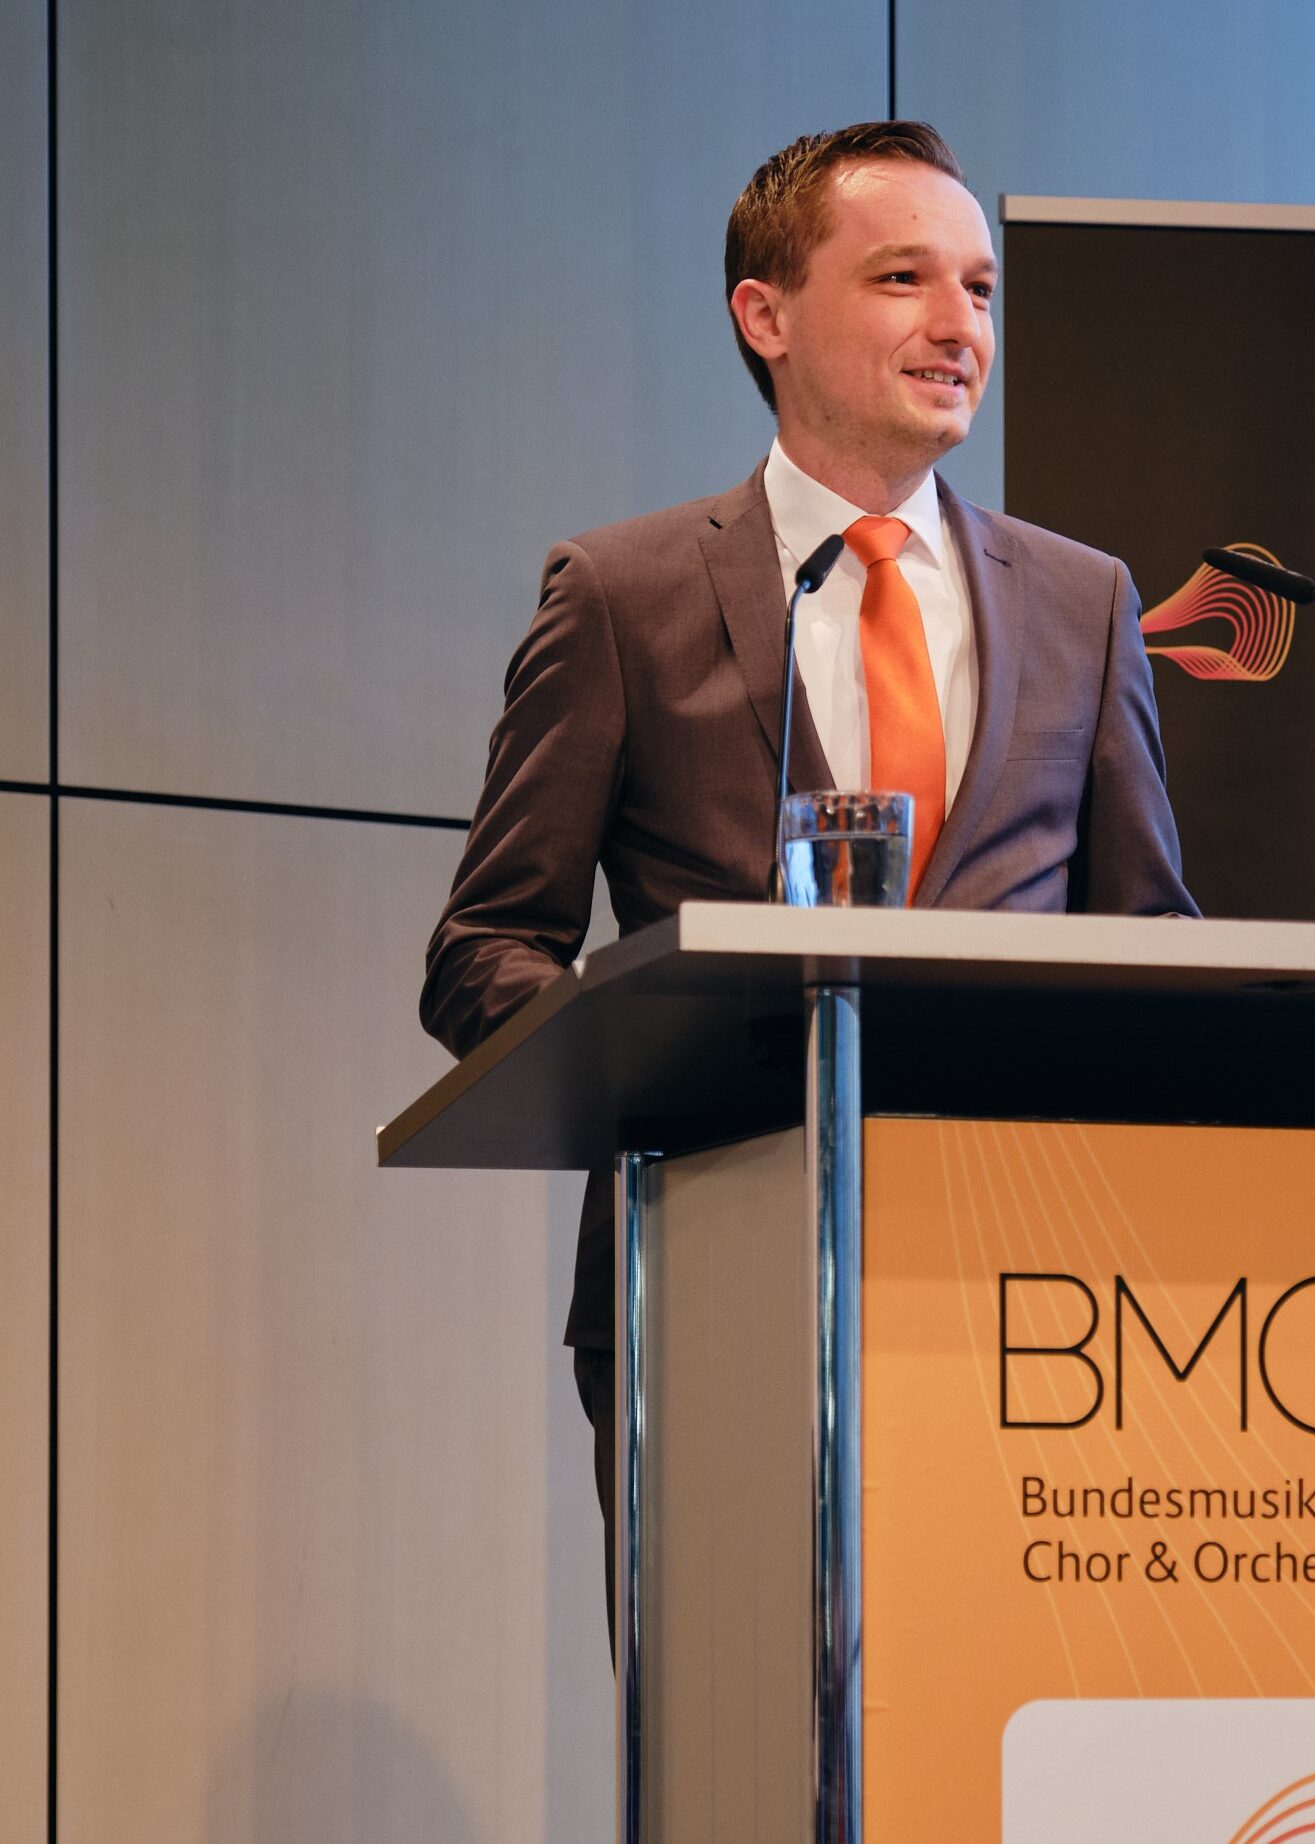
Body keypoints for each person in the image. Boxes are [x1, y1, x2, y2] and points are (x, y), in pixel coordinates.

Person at [418, 120, 1195, 1632]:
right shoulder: (626, 594)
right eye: (904, 278)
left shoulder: (1085, 601)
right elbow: (485, 948)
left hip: (1037, 1307)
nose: (959, 324)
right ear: (764, 315)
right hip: (718, 1271)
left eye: (980, 287)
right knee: (739, 1709)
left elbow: (1151, 944)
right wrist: (671, 1063)